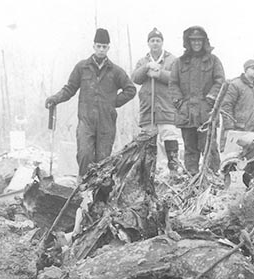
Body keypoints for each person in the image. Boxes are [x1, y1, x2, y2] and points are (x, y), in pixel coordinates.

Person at [45, 28, 136, 177]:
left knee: (103, 161)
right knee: (84, 154)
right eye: (98, 46)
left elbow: (131, 89)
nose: (101, 49)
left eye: (104, 46)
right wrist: (55, 98)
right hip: (86, 121)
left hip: (106, 123)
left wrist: (114, 102)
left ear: (108, 48)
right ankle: (82, 192)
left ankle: (99, 198)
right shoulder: (82, 67)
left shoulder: (115, 71)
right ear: (93, 46)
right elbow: (69, 89)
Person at [169, 26, 225, 174]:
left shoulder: (213, 61)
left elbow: (220, 81)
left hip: (206, 111)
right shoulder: (179, 62)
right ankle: (192, 177)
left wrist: (210, 99)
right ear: (188, 42)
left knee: (209, 146)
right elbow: (173, 83)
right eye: (193, 40)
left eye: (199, 40)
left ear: (204, 41)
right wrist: (179, 102)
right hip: (186, 112)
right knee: (190, 148)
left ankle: (212, 178)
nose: (196, 43)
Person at [131, 27, 183, 174]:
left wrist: (159, 73)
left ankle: (173, 171)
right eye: (152, 40)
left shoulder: (172, 60)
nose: (155, 43)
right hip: (148, 109)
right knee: (148, 141)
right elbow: (135, 78)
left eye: (158, 40)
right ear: (148, 43)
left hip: (166, 107)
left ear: (162, 42)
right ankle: (149, 173)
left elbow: (177, 78)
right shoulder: (143, 60)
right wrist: (147, 67)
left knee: (170, 136)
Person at [220, 59, 254, 150]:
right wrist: (230, 128)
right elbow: (226, 106)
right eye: (253, 68)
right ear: (246, 69)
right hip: (238, 132)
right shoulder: (235, 85)